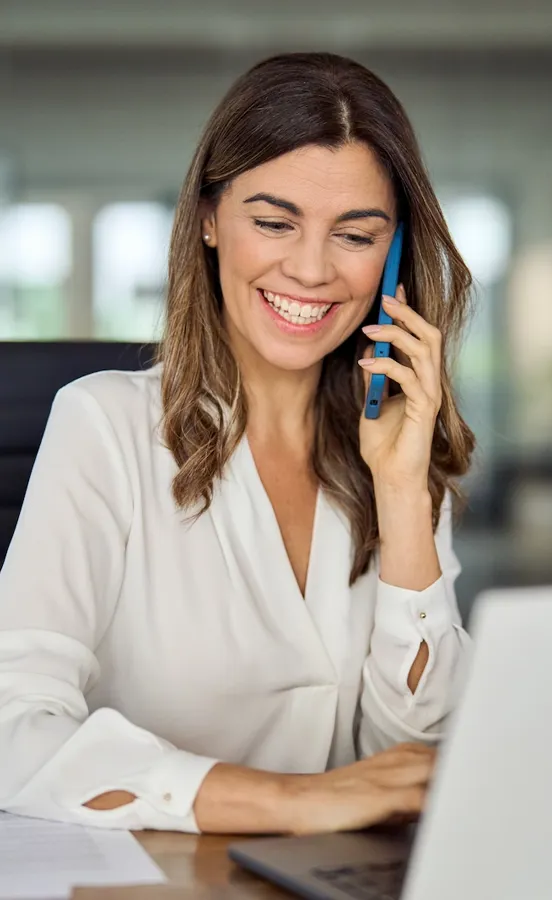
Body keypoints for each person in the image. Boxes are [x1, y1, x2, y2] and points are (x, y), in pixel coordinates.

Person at [0, 52, 475, 835]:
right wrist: (289, 800)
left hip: (333, 877)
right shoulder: (105, 425)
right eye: (273, 222)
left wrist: (399, 493)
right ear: (210, 219)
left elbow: (410, 758)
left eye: (355, 235)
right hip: (159, 879)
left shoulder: (398, 448)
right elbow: (13, 725)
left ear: (392, 256)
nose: (311, 269)